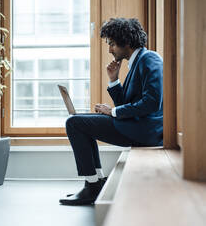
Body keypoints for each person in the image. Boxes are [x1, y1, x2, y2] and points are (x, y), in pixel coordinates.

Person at [59, 18, 163, 206]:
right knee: (78, 120)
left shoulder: (150, 59)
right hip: (136, 126)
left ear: (127, 42)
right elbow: (127, 103)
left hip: (144, 131)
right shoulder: (136, 62)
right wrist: (114, 80)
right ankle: (96, 181)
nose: (110, 50)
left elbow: (153, 102)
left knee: (74, 124)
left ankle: (92, 186)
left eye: (112, 44)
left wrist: (113, 111)